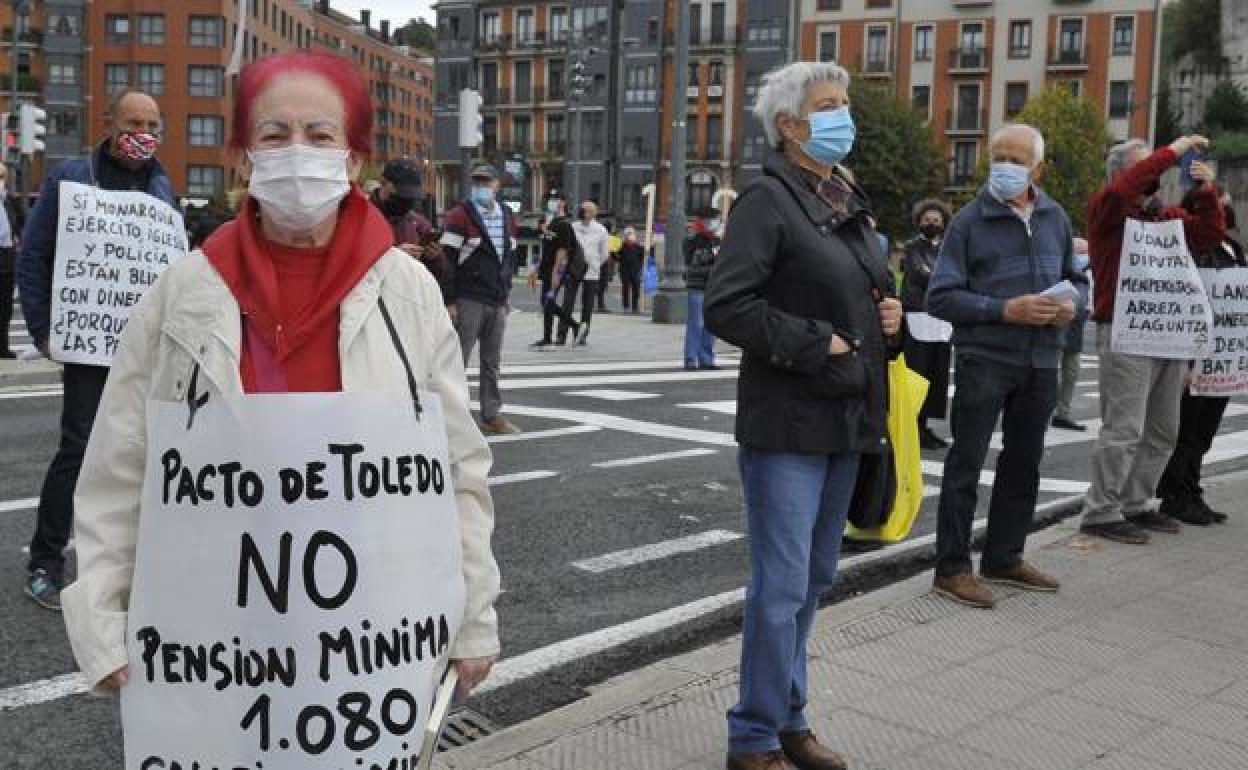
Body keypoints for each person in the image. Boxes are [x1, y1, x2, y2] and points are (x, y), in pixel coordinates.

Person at [60, 48, 500, 710]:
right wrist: (101, 620)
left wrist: (473, 618)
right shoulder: (180, 295)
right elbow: (120, 469)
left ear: (353, 159)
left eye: (320, 135)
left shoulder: (409, 294)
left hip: (369, 645)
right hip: (212, 645)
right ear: (243, 156)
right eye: (275, 134)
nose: (298, 151)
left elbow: (458, 471)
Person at [705, 61, 902, 770]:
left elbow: (859, 294)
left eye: (844, 103)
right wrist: (821, 342)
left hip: (845, 419)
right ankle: (753, 737)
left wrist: (890, 315)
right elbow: (727, 305)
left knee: (814, 579)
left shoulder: (842, 195)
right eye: (827, 105)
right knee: (781, 585)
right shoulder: (767, 198)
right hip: (788, 421)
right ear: (789, 124)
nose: (841, 114)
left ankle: (788, 715)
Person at [16, 88, 176, 610]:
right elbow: (35, 255)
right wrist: (42, 327)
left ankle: (133, 564)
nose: (143, 133)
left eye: (152, 123)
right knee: (79, 450)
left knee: (143, 451)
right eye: (133, 122)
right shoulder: (70, 179)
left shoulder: (162, 187)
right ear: (109, 124)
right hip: (89, 340)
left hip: (141, 347)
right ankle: (45, 562)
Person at [926, 124, 1085, 609]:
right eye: (998, 157)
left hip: (1041, 358)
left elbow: (1076, 279)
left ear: (1037, 167)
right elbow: (941, 296)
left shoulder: (1055, 216)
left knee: (1025, 462)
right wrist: (1004, 310)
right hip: (985, 358)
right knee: (966, 462)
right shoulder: (969, 221)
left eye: (1016, 159)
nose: (1005, 167)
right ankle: (952, 569)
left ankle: (1004, 557)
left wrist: (1072, 304)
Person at [1079, 135, 1225, 544]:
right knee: (1123, 428)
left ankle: (1136, 502)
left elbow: (1209, 234)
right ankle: (1101, 510)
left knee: (1163, 428)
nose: (1156, 174)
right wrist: (1172, 152)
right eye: (1145, 166)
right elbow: (1127, 187)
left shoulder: (1164, 218)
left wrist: (1206, 192)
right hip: (1125, 331)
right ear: (1123, 173)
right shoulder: (1108, 210)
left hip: (1168, 332)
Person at [1155, 192, 1244, 525]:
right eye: (1218, 204)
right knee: (1187, 430)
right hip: (1197, 353)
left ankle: (1191, 489)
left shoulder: (1233, 248)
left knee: (1206, 430)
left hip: (1225, 355)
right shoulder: (1191, 248)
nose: (1224, 210)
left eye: (1225, 204)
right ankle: (1176, 494)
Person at [440, 165, 522, 435]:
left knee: (491, 361)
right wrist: (449, 300)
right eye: (476, 182)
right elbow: (446, 260)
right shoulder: (459, 215)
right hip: (468, 297)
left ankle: (491, 414)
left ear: (497, 185)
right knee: (458, 359)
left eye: (486, 182)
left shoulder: (508, 215)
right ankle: (455, 415)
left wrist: (505, 293)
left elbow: (509, 258)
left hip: (496, 300)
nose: (480, 186)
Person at [900, 198, 953, 449]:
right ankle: (913, 426)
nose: (932, 224)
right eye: (927, 220)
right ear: (919, 222)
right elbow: (920, 273)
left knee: (936, 375)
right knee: (917, 372)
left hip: (940, 320)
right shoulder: (912, 248)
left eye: (936, 220)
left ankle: (926, 426)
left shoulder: (947, 249)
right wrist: (943, 280)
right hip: (918, 316)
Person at [371, 157, 442, 280]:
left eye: (411, 195)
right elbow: (353, 263)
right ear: (384, 183)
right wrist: (395, 256)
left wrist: (435, 257)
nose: (407, 199)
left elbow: (439, 274)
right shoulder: (362, 218)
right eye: (402, 192)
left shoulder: (418, 223)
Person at [527, 191, 581, 348]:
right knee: (547, 302)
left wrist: (556, 273)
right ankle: (549, 336)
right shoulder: (551, 223)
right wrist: (536, 269)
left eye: (556, 199)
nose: (552, 202)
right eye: (550, 199)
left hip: (556, 270)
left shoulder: (564, 224)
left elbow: (562, 250)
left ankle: (574, 326)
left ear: (563, 203)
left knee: (548, 301)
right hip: (547, 269)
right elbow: (547, 250)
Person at [1052, 236, 1092, 431]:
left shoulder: (1088, 273)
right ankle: (1051, 411)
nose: (1084, 257)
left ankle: (1062, 413)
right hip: (1059, 324)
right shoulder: (1060, 268)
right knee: (1052, 372)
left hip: (1076, 327)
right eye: (1081, 253)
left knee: (1070, 372)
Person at [562, 200, 609, 346]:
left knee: (587, 305)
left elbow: (604, 254)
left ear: (592, 213)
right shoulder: (573, 227)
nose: (583, 213)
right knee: (567, 302)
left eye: (586, 211)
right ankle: (561, 335)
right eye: (582, 210)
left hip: (592, 270)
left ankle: (582, 335)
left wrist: (594, 263)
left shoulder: (601, 230)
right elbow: (566, 246)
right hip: (573, 269)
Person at [684, 207, 720, 371]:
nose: (715, 223)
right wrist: (714, 256)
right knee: (696, 323)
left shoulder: (717, 240)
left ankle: (706, 358)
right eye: (712, 220)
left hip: (714, 287)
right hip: (698, 285)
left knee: (711, 324)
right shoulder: (693, 239)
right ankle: (691, 358)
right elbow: (693, 261)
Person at [0, 163, 21, 359]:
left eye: (2, 178)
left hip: (6, 260)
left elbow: (16, 224)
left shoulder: (7, 202)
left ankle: (2, 346)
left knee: (5, 308)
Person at [617, 226, 644, 313]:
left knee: (636, 288)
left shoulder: (639, 247)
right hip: (624, 270)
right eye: (627, 235)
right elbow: (617, 257)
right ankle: (625, 306)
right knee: (625, 287)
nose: (629, 238)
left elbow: (642, 257)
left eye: (631, 234)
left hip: (635, 270)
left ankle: (635, 306)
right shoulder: (621, 246)